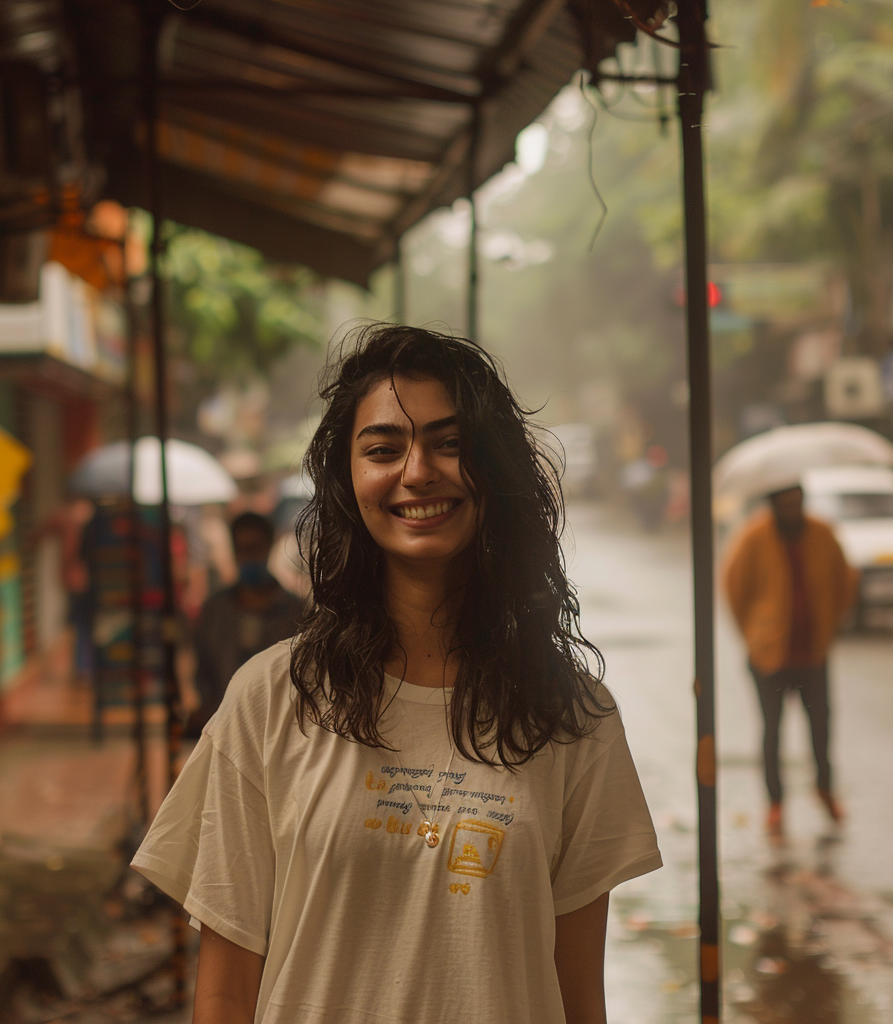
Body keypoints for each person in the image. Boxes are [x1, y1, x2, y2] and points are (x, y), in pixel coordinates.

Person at [132, 325, 662, 1024]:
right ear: (348, 481)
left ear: (494, 470)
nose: (418, 472)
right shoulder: (269, 701)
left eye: (450, 443)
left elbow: (577, 996)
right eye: (384, 449)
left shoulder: (572, 714)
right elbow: (226, 991)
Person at [723, 483, 858, 837]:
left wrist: (831, 623)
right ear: (773, 504)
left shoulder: (823, 534)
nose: (791, 509)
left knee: (822, 728)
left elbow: (846, 579)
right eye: (784, 503)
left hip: (813, 653)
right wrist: (754, 635)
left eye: (796, 502)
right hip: (769, 658)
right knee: (772, 732)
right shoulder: (753, 537)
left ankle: (825, 790)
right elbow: (734, 587)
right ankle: (775, 804)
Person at [187, 512, 303, 733]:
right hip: (224, 726)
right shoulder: (215, 610)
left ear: (269, 547)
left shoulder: (295, 611)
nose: (248, 557)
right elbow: (203, 668)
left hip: (280, 729)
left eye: (255, 548)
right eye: (242, 550)